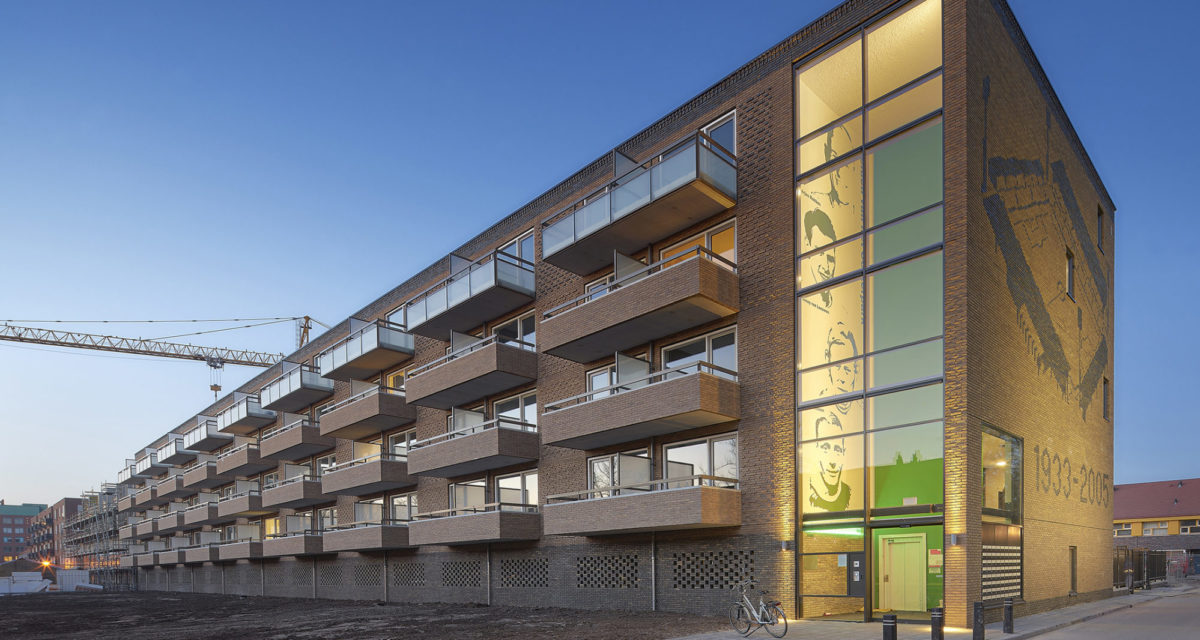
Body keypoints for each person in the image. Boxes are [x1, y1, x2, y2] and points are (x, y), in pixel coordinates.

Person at [807, 411, 852, 512]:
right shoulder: (805, 491)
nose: (833, 462)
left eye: (837, 449)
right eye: (825, 448)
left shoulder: (848, 493)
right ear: (815, 450)